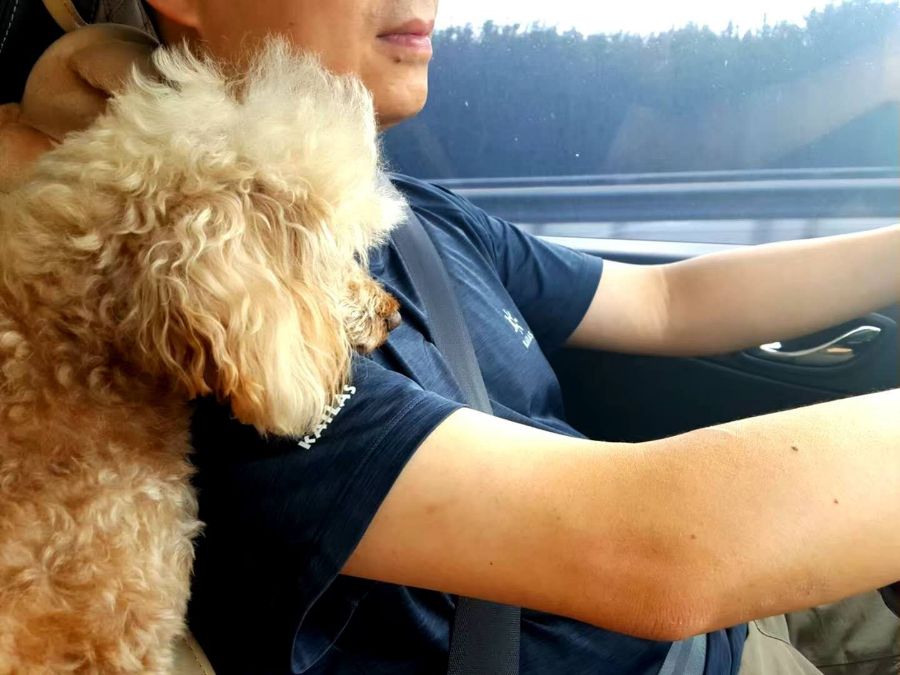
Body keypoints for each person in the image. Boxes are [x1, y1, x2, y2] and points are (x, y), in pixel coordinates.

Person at [0, 2, 898, 674]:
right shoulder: (188, 306)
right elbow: (658, 551)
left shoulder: (417, 214)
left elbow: (666, 300)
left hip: (739, 615)